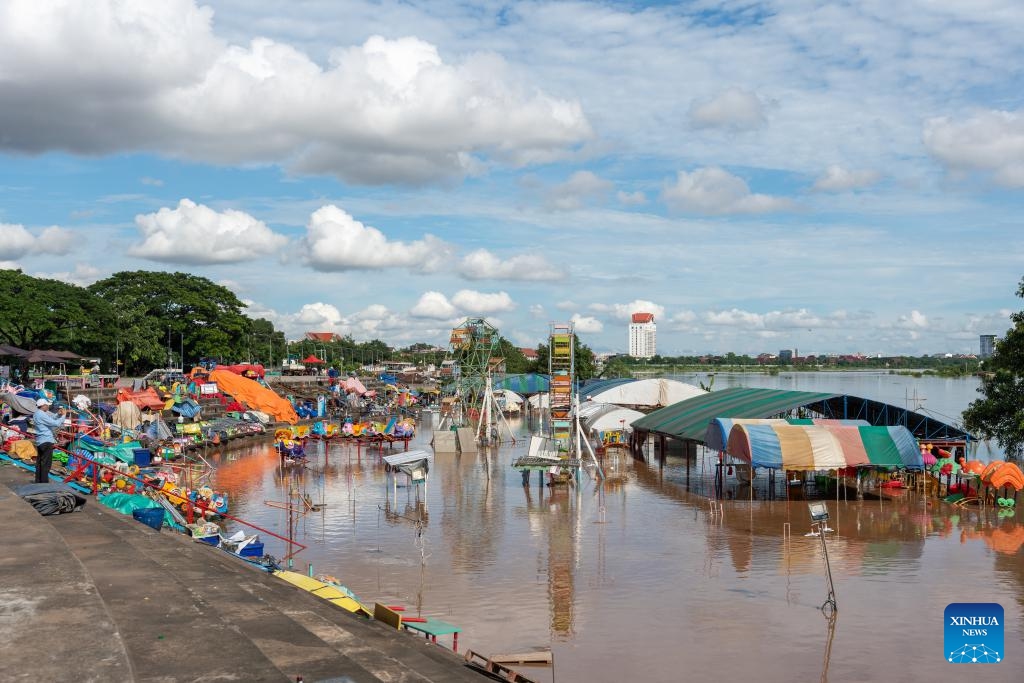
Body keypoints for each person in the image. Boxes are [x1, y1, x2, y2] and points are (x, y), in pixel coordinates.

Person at [32, 398, 66, 483]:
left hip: (40, 441)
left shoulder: (37, 413)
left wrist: (58, 415)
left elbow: (50, 419)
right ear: (43, 406)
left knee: (40, 462)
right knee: (46, 463)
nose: (48, 407)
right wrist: (63, 416)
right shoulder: (41, 414)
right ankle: (44, 482)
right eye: (47, 405)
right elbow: (56, 423)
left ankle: (38, 480)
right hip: (46, 440)